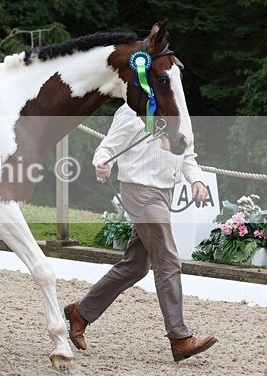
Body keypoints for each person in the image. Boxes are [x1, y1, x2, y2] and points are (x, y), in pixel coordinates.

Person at [65, 103, 217, 362]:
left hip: (164, 192)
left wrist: (197, 180)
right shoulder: (134, 109)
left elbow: (187, 153)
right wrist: (101, 162)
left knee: (136, 266)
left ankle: (81, 312)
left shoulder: (177, 108)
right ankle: (179, 338)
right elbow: (108, 146)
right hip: (139, 191)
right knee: (168, 260)